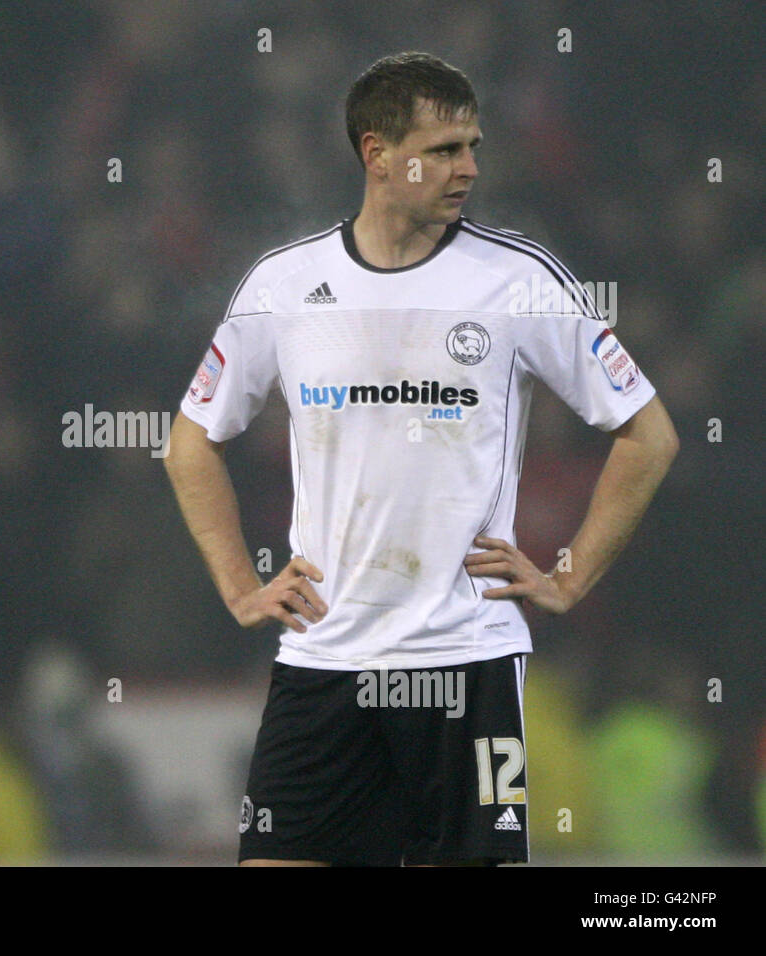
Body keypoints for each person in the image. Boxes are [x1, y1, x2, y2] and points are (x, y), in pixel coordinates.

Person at [163, 52, 678, 866]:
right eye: (442, 150)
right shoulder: (286, 284)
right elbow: (190, 440)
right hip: (323, 662)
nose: (467, 168)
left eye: (472, 146)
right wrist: (238, 585)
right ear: (376, 153)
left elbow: (648, 434)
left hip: (465, 660)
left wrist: (570, 575)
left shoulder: (517, 281)